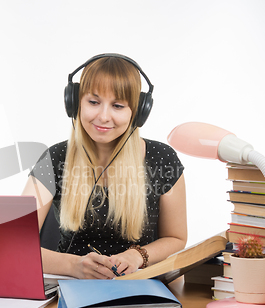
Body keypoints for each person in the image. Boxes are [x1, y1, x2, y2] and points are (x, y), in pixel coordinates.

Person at [22, 54, 187, 279]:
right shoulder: (55, 157)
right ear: (75, 102)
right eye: (93, 102)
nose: (103, 116)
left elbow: (176, 237)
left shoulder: (162, 159)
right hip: (71, 286)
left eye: (118, 105)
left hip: (140, 287)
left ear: (137, 113)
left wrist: (137, 255)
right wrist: (73, 266)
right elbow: (15, 245)